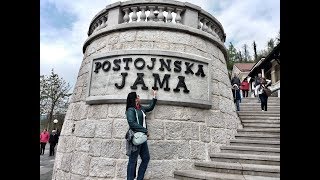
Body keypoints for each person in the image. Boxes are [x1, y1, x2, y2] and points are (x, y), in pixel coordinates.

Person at [125, 90, 157, 180]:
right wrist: (145, 130)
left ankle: (140, 178)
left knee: (146, 158)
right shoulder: (130, 110)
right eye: (138, 96)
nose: (139, 98)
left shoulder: (141, 108)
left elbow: (150, 107)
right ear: (135, 99)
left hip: (142, 138)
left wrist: (154, 96)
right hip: (136, 138)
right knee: (133, 161)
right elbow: (132, 123)